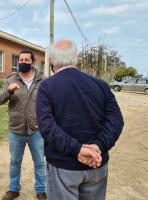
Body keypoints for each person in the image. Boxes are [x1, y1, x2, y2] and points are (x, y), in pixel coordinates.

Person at [36, 38, 124, 200]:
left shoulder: (47, 87)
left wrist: (78, 150)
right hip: (97, 164)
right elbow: (116, 120)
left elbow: (47, 127)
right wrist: (99, 146)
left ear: (49, 61)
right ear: (76, 58)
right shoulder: (100, 84)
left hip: (63, 167)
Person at [0, 50, 47, 200]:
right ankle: (14, 189)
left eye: (26, 60)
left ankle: (40, 190)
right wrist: (9, 92)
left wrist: (45, 123)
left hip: (36, 130)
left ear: (32, 63)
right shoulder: (11, 80)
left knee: (39, 163)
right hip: (16, 129)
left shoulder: (43, 80)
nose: (23, 62)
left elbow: (51, 104)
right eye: (21, 60)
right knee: (15, 162)